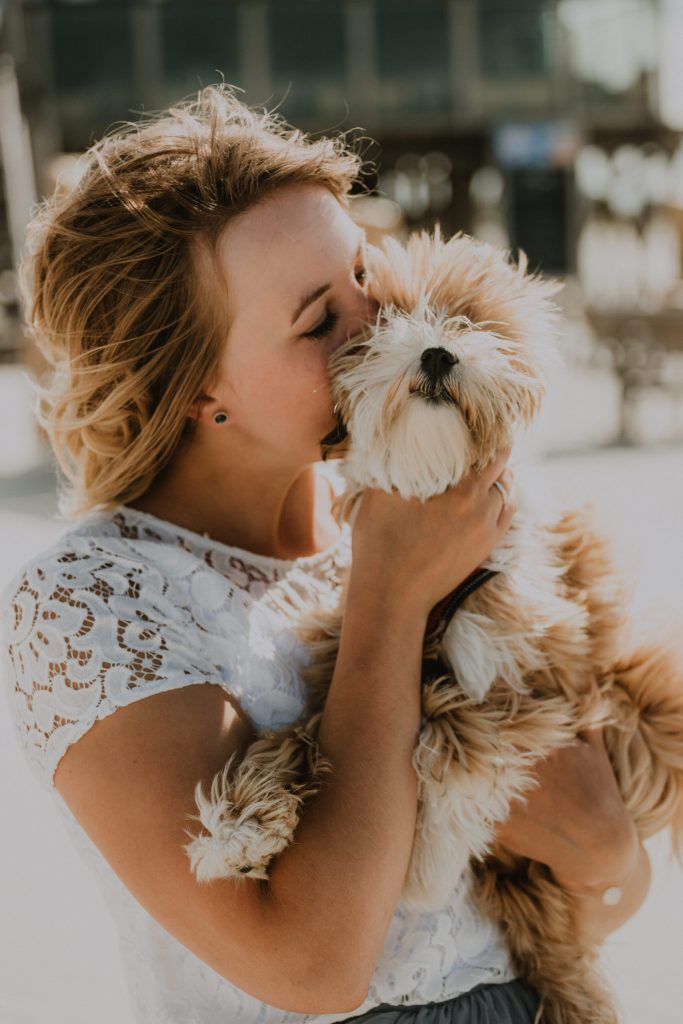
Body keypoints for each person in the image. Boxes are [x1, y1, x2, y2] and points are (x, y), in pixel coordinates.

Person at [1, 86, 650, 1024]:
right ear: (194, 390)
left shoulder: (442, 504)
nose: (381, 327)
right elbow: (314, 968)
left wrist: (603, 850)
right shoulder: (93, 606)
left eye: (364, 275)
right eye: (317, 323)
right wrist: (390, 593)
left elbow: (591, 907)